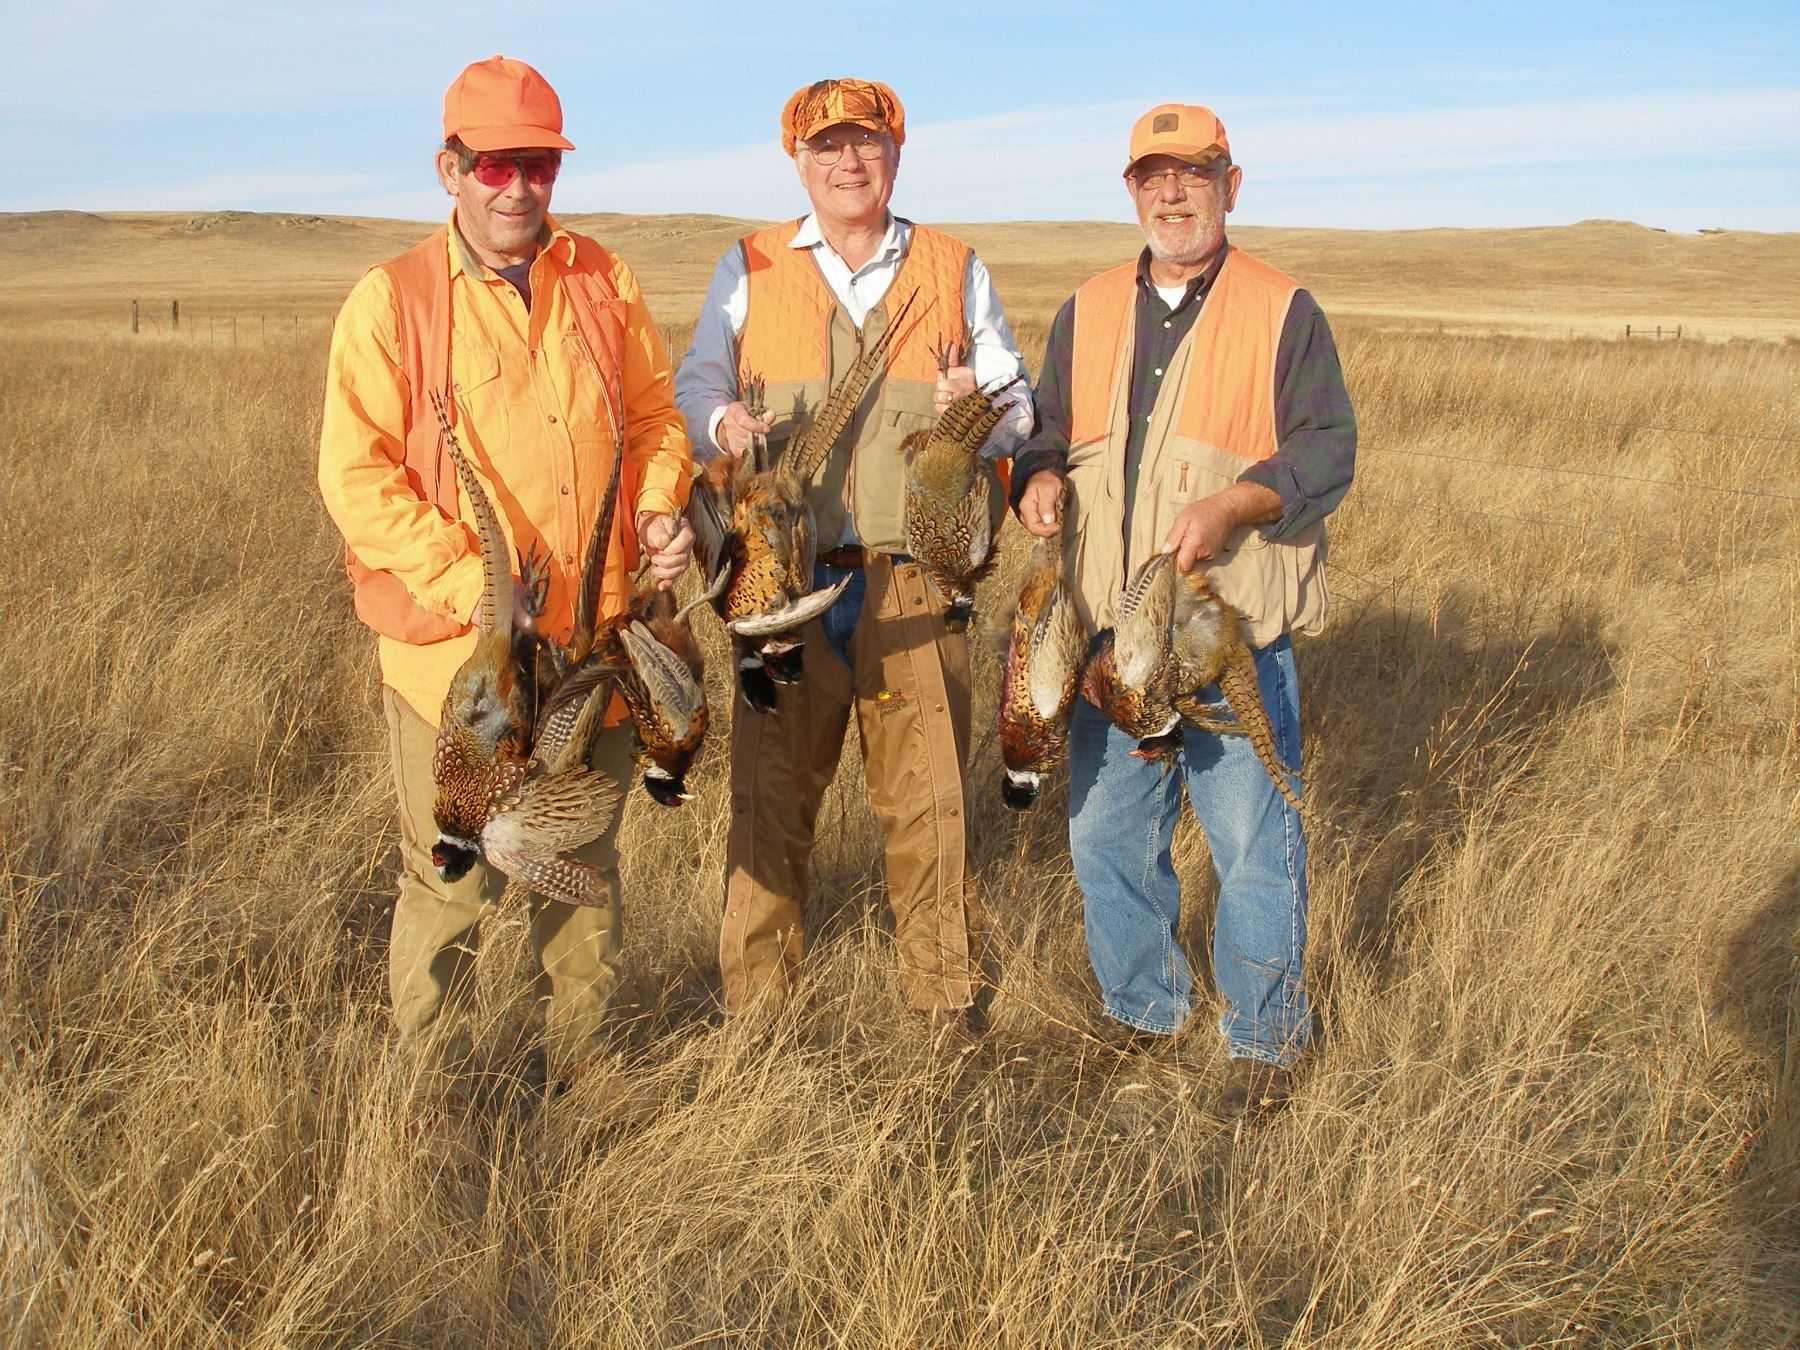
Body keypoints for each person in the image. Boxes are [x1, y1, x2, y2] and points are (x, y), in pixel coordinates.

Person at [318, 55, 694, 1097]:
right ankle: (427, 1089)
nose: (519, 186)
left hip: (591, 647)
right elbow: (356, 478)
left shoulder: (601, 279)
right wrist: (476, 585)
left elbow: (656, 419)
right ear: (449, 169)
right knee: (454, 879)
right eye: (494, 165)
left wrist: (658, 506)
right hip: (467, 666)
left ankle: (581, 1060)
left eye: (540, 164)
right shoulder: (392, 302)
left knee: (581, 860)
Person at [1010, 103, 1355, 1119]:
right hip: (1112, 640)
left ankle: (1264, 1044)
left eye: (1194, 173)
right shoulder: (1085, 310)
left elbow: (1327, 449)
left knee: (1251, 844)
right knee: (1106, 839)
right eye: (1153, 175)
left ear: (1229, 185)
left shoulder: (1282, 310)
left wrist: (1235, 504)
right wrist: (1036, 477)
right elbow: (1044, 430)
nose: (1172, 193)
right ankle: (1143, 1011)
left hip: (1222, 629)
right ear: (1131, 191)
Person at [675, 78, 1030, 1037]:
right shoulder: (750, 265)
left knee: (929, 800)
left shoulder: (954, 267)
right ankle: (758, 1011)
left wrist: (979, 405)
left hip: (913, 579)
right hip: (780, 579)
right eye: (827, 146)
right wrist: (722, 419)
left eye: (866, 142)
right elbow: (695, 385)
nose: (848, 162)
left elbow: (1019, 403)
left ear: (896, 154)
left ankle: (943, 1001)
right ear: (799, 162)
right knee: (769, 799)